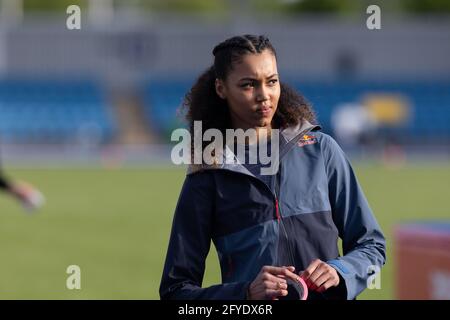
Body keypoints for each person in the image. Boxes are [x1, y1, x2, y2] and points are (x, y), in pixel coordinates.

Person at [160, 35, 386, 300]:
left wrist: (340, 270)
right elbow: (176, 292)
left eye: (272, 82)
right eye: (248, 85)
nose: (264, 95)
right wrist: (244, 294)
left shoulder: (321, 150)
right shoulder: (207, 175)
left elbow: (372, 246)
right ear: (221, 89)